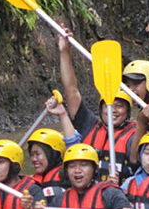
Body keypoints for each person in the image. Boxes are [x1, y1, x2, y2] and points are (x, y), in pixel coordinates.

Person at [58, 30, 137, 183]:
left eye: (119, 106)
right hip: (89, 196)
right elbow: (71, 91)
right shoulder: (89, 126)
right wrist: (65, 52)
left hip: (118, 197)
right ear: (101, 109)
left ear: (128, 112)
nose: (113, 110)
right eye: (109, 105)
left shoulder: (135, 135)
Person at [26, 127, 67, 205]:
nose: (34, 159)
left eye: (38, 154)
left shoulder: (66, 176)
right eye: (32, 155)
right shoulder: (33, 181)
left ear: (53, 155)